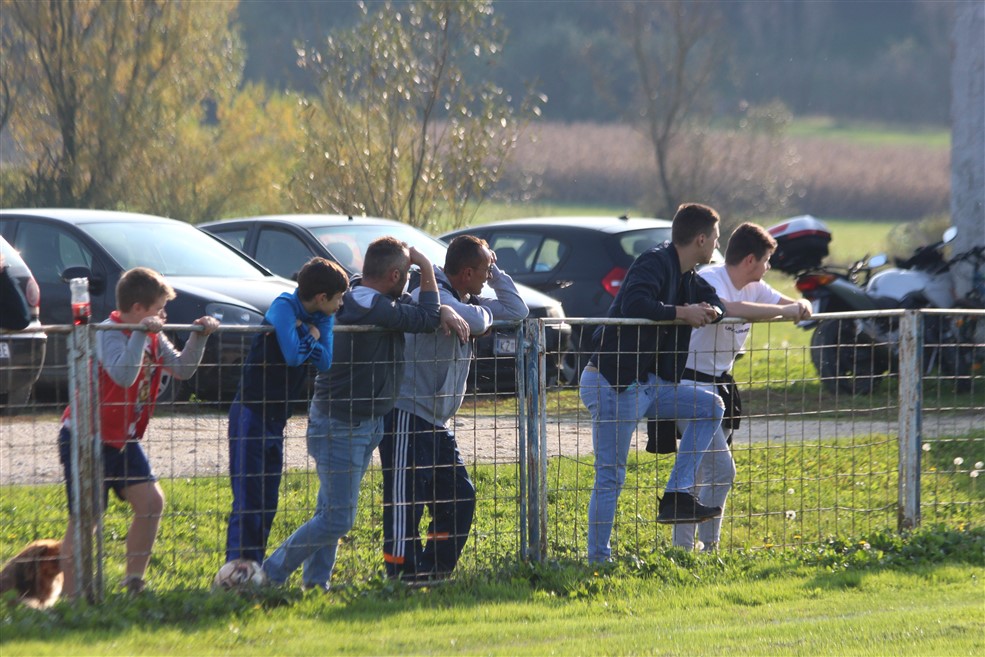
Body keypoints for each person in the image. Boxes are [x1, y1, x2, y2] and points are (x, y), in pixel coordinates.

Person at [262, 237, 461, 591]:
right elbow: (428, 317)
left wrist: (439, 303)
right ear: (396, 275)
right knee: (338, 518)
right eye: (408, 273)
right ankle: (269, 574)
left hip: (362, 422)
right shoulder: (374, 307)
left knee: (329, 511)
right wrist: (429, 268)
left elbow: (424, 312)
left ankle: (315, 584)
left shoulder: (361, 295)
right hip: (342, 425)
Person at [579, 202, 727, 564]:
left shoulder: (687, 274)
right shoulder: (654, 262)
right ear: (701, 239)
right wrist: (682, 312)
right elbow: (634, 303)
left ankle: (677, 493)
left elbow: (712, 298)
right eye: (716, 239)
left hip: (650, 386)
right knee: (611, 477)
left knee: (711, 406)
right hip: (615, 384)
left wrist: (712, 310)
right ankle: (598, 559)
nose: (717, 246)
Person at [58, 267, 220, 596]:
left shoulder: (153, 334)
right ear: (137, 310)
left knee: (151, 503)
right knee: (86, 517)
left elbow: (182, 369)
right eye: (159, 308)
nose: (165, 314)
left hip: (122, 437)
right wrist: (140, 335)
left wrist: (198, 337)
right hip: (85, 435)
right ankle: (74, 599)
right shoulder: (109, 331)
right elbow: (124, 375)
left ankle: (133, 581)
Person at [380, 235, 529, 581]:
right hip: (407, 414)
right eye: (483, 271)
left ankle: (433, 572)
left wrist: (495, 272)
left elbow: (518, 312)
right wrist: (482, 313)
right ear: (465, 272)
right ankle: (401, 578)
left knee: (460, 498)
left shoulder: (465, 298)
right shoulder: (428, 296)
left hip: (436, 422)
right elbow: (478, 323)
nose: (486, 277)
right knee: (407, 504)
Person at [671, 222, 812, 552]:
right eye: (766, 261)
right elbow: (728, 309)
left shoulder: (755, 287)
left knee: (704, 471)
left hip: (718, 387)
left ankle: (695, 549)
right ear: (750, 260)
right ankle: (699, 548)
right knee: (720, 469)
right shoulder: (710, 279)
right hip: (688, 384)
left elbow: (789, 304)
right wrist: (785, 311)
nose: (768, 268)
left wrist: (801, 304)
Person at [223, 257, 349, 565]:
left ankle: (253, 566)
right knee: (249, 496)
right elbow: (293, 357)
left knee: (268, 499)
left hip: (276, 417)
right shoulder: (283, 306)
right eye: (339, 298)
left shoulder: (321, 318)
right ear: (321, 298)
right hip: (251, 412)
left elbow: (326, 361)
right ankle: (237, 568)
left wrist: (306, 333)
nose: (341, 305)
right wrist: (311, 337)